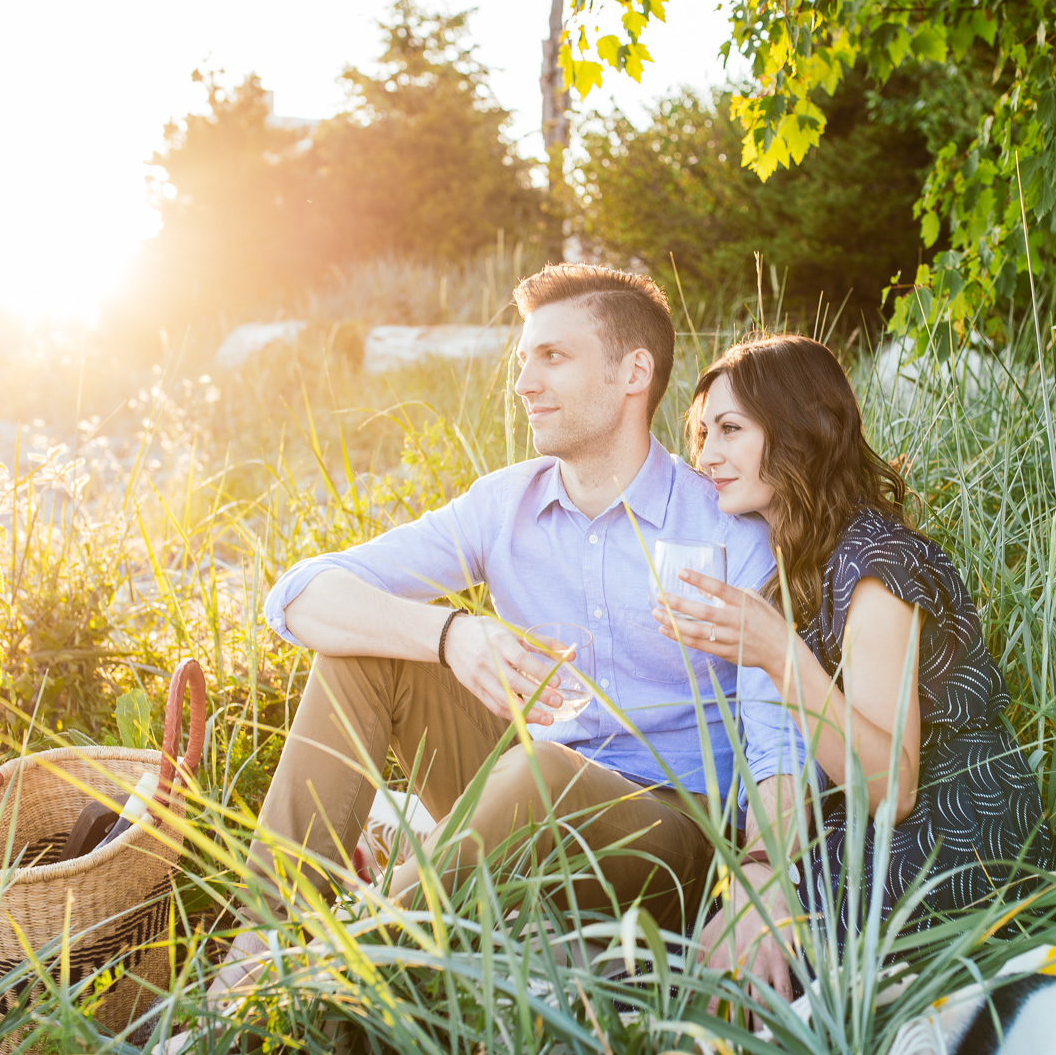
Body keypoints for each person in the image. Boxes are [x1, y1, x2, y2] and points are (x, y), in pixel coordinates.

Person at [212, 266, 805, 996]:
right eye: (523, 359)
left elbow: (779, 730)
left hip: (670, 834)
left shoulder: (725, 528)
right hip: (523, 789)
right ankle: (260, 943)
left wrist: (763, 876)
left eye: (553, 357)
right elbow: (298, 597)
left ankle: (337, 976)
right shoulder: (503, 506)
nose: (524, 382)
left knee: (542, 771)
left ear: (633, 374)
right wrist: (452, 635)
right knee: (365, 655)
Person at [654, 334, 1053, 997]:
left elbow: (891, 786)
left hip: (956, 825)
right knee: (715, 921)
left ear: (799, 429)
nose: (706, 456)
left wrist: (778, 654)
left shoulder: (875, 566)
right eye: (701, 434)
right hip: (860, 820)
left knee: (759, 952)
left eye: (729, 430)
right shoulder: (794, 560)